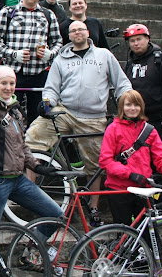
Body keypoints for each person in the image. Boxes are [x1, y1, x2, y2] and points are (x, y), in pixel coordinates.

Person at [25, 20, 132, 226]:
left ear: (88, 32)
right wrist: (46, 102)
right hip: (65, 110)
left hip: (93, 116)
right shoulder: (60, 59)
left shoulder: (104, 55)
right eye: (73, 30)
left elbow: (122, 83)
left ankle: (93, 206)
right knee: (32, 137)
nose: (77, 33)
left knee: (95, 164)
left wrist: (128, 103)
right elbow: (51, 88)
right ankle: (30, 194)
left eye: (80, 29)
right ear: (69, 35)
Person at [0, 66, 63, 273]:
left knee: (55, 214)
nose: (8, 87)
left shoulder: (13, 110)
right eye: (4, 83)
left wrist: (36, 166)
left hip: (18, 179)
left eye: (12, 83)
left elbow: (22, 145)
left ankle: (30, 253)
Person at [99, 90, 162, 226]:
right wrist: (130, 174)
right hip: (119, 188)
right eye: (128, 105)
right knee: (124, 232)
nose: (132, 108)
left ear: (142, 107)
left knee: (148, 233)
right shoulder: (113, 128)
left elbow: (161, 161)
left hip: (143, 189)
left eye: (136, 105)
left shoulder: (150, 131)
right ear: (121, 107)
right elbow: (106, 161)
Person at [0, 0, 62, 123]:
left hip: (39, 73)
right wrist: (13, 54)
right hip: (13, 73)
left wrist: (50, 54)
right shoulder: (8, 12)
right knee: (8, 115)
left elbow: (58, 41)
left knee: (40, 116)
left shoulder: (48, 15)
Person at [123, 23, 162, 164]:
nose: (136, 43)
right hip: (138, 119)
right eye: (132, 41)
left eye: (139, 39)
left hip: (161, 119)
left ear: (147, 39)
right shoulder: (129, 64)